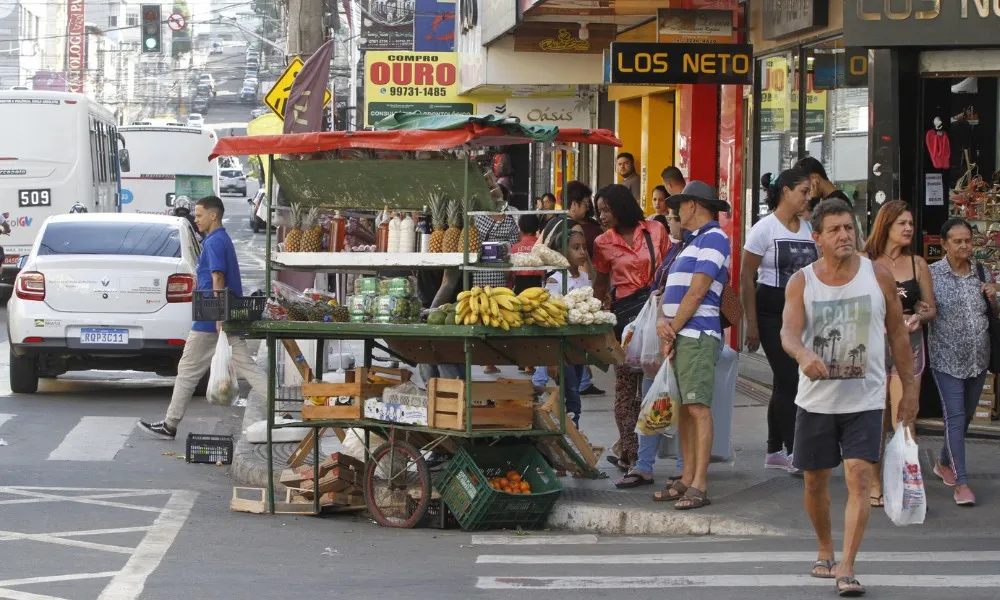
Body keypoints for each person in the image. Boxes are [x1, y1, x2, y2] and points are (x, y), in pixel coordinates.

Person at [780, 198, 917, 596]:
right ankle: (825, 548)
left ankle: (847, 566)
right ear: (817, 237)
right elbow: (788, 332)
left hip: (866, 399)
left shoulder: (877, 276)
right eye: (835, 229)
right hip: (817, 401)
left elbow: (897, 334)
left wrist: (908, 390)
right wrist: (802, 354)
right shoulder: (802, 281)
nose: (844, 235)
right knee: (815, 482)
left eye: (849, 227)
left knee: (858, 477)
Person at [138, 196, 269, 440]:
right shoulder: (220, 239)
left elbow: (218, 277)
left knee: (187, 371)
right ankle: (282, 406)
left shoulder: (214, 242)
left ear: (213, 216)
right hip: (220, 317)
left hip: (211, 318)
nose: (195, 220)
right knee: (247, 367)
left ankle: (170, 424)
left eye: (199, 215)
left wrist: (218, 314)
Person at [652, 181, 731, 510]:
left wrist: (672, 328)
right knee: (685, 408)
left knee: (697, 408)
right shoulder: (691, 242)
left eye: (680, 205)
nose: (675, 211)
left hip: (697, 334)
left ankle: (699, 483)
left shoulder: (714, 238)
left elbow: (697, 292)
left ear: (695, 206)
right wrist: (666, 326)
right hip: (682, 334)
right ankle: (686, 477)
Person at [742, 168, 818, 474]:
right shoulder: (764, 229)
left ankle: (774, 449)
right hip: (771, 311)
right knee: (791, 379)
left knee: (782, 383)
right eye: (803, 191)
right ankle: (792, 449)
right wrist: (752, 323)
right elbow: (747, 277)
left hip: (801, 312)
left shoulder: (808, 228)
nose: (808, 197)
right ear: (785, 191)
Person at [863, 200, 936, 507]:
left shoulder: (918, 263)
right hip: (875, 346)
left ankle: (908, 484)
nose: (908, 228)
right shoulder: (865, 260)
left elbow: (932, 308)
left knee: (905, 417)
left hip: (910, 345)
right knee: (875, 418)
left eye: (910, 223)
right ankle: (874, 482)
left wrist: (920, 315)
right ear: (886, 226)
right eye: (901, 223)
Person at [593, 184, 669, 471]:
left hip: (658, 315)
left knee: (652, 386)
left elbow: (668, 268)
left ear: (621, 207)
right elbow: (600, 285)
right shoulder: (602, 242)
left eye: (606, 210)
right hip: (625, 321)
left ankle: (638, 449)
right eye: (598, 211)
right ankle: (630, 452)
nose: (601, 216)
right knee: (625, 388)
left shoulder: (655, 230)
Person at [928, 218, 999, 506]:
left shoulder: (982, 272)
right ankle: (962, 482)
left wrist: (993, 297)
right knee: (955, 417)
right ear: (944, 244)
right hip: (946, 361)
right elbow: (925, 309)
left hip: (977, 360)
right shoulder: (931, 275)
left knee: (966, 417)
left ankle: (944, 463)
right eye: (957, 241)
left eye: (968, 240)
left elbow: (992, 312)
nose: (964, 246)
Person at [616, 208, 686, 489]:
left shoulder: (699, 248)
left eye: (672, 217)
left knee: (684, 408)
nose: (669, 222)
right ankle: (644, 465)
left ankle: (684, 468)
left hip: (680, 336)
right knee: (650, 402)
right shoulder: (676, 250)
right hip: (658, 339)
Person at [532, 230, 590, 427]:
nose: (582, 252)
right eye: (576, 248)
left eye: (584, 248)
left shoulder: (584, 278)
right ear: (561, 252)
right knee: (570, 391)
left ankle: (572, 427)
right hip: (563, 347)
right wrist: (550, 359)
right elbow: (550, 316)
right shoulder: (555, 279)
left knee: (574, 388)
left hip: (580, 347)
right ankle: (572, 429)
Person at [563, 180, 604, 260]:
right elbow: (583, 264)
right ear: (574, 204)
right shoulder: (576, 228)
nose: (587, 207)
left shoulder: (554, 222)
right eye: (586, 203)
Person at [510, 214, 542, 294]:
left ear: (520, 228)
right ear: (537, 227)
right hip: (538, 289)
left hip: (519, 289)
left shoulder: (514, 248)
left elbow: (510, 274)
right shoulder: (542, 247)